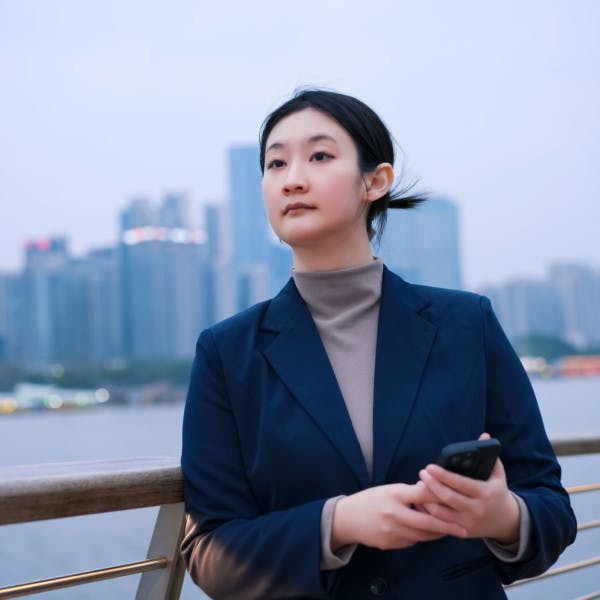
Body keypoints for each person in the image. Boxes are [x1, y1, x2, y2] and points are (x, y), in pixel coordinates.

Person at [181, 89, 576, 599]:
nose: (292, 178)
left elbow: (551, 509)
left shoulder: (466, 323)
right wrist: (337, 523)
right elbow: (210, 553)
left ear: (376, 181)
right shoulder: (226, 352)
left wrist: (503, 516)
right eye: (275, 163)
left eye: (319, 156)